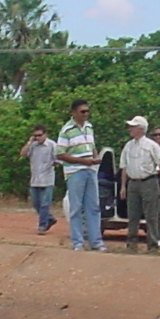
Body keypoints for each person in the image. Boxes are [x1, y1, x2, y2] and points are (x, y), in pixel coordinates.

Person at [55, 98, 106, 252]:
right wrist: (82, 162)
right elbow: (60, 154)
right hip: (75, 172)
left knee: (93, 207)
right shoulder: (67, 130)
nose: (86, 114)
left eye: (87, 111)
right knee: (76, 208)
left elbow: (92, 147)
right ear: (74, 112)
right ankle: (77, 242)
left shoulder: (89, 127)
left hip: (90, 171)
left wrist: (95, 159)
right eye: (82, 111)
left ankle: (96, 241)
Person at [120, 115, 160, 251]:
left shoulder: (152, 146)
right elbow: (124, 167)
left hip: (149, 182)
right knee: (133, 214)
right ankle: (131, 243)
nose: (130, 129)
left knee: (151, 214)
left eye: (132, 127)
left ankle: (153, 244)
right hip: (133, 182)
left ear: (140, 129)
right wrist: (123, 186)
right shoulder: (128, 146)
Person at [20, 123, 57, 235]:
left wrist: (50, 165)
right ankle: (49, 218)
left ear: (45, 134)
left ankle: (42, 226)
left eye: (40, 135)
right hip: (35, 179)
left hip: (47, 179)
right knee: (36, 203)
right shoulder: (33, 145)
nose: (38, 137)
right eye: (35, 135)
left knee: (45, 204)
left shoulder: (52, 145)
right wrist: (29, 142)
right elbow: (23, 154)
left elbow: (58, 160)